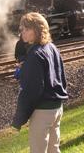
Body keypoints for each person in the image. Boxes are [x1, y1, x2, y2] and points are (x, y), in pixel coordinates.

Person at [12, 12, 68, 153]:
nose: (22, 32)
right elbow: (61, 76)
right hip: (57, 107)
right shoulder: (52, 48)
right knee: (53, 149)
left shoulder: (34, 54)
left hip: (43, 110)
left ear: (36, 30)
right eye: (22, 29)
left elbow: (32, 90)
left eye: (26, 29)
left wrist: (19, 118)